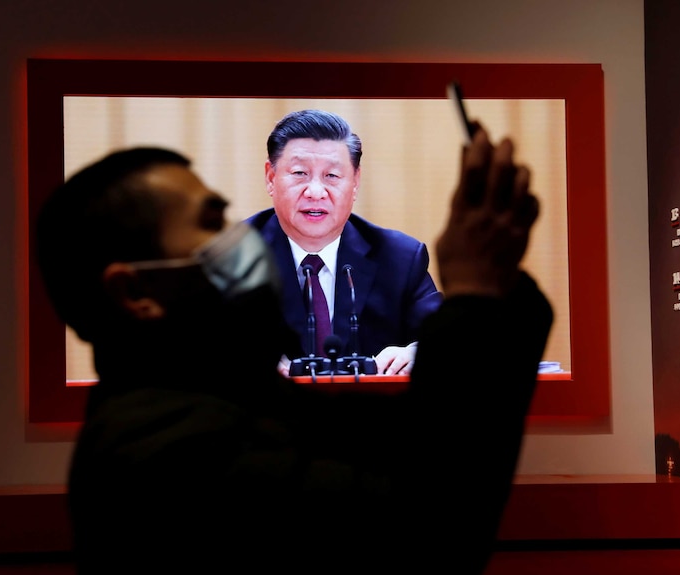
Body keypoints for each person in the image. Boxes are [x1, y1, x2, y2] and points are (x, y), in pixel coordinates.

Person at [36, 122, 551, 573]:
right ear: (134, 293)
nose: (239, 243)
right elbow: (433, 529)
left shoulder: (223, 394)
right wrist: (478, 293)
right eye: (212, 224)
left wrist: (487, 296)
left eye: (332, 175)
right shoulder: (163, 455)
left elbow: (404, 449)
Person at [245, 109, 444, 376]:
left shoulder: (400, 258)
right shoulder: (232, 257)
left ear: (355, 182)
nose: (315, 192)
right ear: (271, 178)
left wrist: (417, 352)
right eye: (300, 173)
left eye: (332, 176)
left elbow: (451, 340)